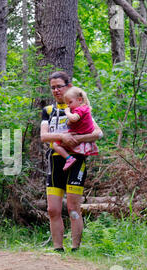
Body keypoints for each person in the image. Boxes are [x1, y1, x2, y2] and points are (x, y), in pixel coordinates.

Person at [40, 71, 103, 252]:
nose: (56, 90)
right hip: (55, 160)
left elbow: (98, 133)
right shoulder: (49, 111)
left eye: (59, 86)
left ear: (68, 86)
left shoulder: (81, 108)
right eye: (52, 87)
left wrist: (76, 139)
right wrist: (61, 136)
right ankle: (58, 249)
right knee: (53, 209)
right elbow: (44, 136)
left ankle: (75, 249)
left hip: (76, 160)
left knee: (73, 207)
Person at [52, 86, 99, 171]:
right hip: (82, 131)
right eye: (67, 104)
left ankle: (69, 158)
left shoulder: (79, 109)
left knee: (55, 144)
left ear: (80, 100)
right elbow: (73, 121)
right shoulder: (85, 108)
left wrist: (67, 112)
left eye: (70, 102)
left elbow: (73, 118)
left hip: (80, 133)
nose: (69, 106)